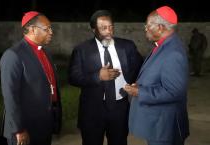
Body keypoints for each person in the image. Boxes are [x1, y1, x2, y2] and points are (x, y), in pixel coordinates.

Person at [68, 10, 143, 145]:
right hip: (92, 109)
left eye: (111, 27)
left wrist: (137, 83)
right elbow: (73, 77)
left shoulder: (127, 46)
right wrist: (97, 76)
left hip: (120, 107)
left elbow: (141, 69)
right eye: (103, 28)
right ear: (93, 29)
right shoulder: (82, 50)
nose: (109, 31)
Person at [124, 6, 190, 145]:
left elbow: (174, 92)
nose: (145, 29)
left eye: (148, 25)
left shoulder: (173, 53)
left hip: (165, 129)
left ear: (160, 27)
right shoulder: (163, 45)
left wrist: (140, 92)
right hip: (158, 125)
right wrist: (140, 85)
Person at [0, 11, 62, 145]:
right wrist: (18, 130)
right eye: (47, 29)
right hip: (25, 128)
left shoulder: (45, 53)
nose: (51, 32)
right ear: (33, 30)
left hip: (44, 124)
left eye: (51, 28)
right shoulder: (13, 55)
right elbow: (10, 96)